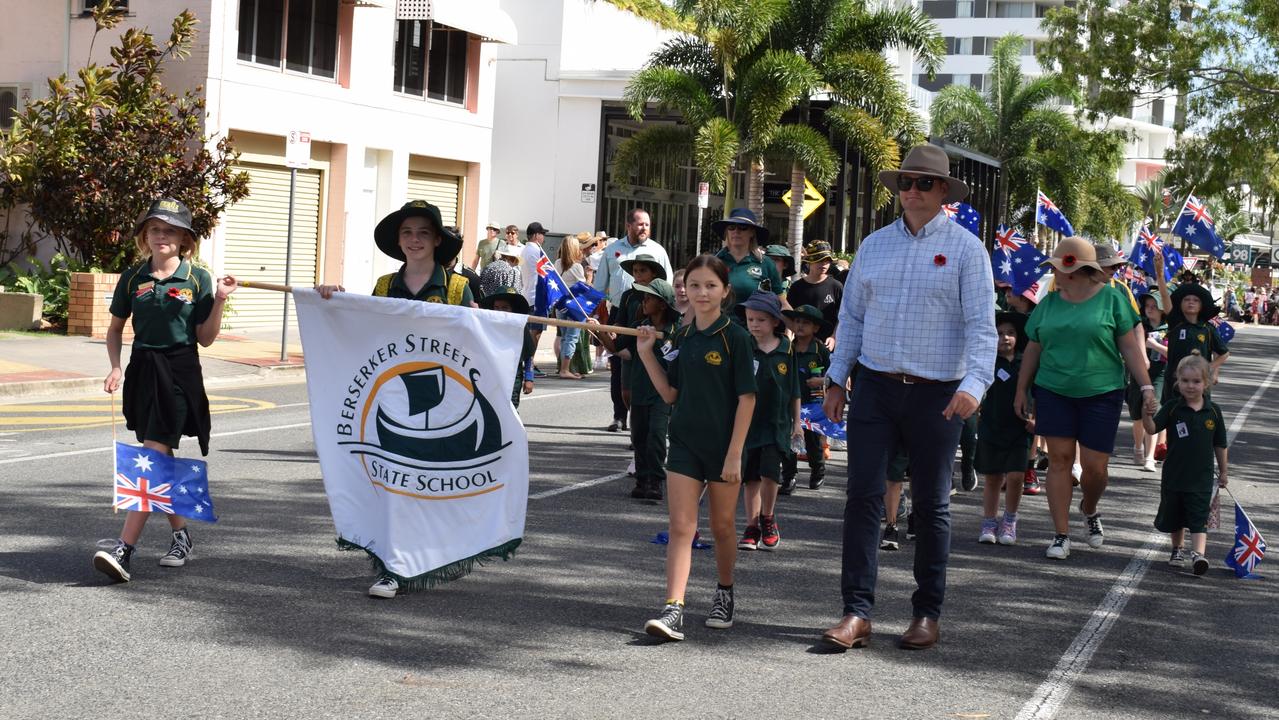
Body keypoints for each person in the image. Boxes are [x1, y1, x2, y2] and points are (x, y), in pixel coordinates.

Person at [819, 144, 997, 651]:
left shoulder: (967, 250)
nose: (912, 191)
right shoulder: (873, 245)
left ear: (943, 191)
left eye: (923, 183)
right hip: (874, 387)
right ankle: (856, 612)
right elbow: (850, 318)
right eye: (905, 182)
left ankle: (927, 613)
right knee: (862, 499)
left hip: (939, 393)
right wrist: (836, 379)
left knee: (933, 505)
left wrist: (974, 386)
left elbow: (982, 329)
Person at [315, 200, 474, 598]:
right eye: (407, 233)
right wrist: (332, 301)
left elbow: (478, 344)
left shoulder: (457, 287)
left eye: (423, 232)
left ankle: (429, 554)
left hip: (445, 400)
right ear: (398, 240)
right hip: (393, 397)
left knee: (430, 485)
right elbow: (363, 330)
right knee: (392, 481)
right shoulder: (385, 286)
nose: (415, 240)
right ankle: (392, 566)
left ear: (437, 240)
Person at [93, 198, 237, 583]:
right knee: (161, 453)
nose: (161, 236)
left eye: (170, 230)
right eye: (155, 229)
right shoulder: (133, 277)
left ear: (184, 239)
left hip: (179, 371)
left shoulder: (197, 279)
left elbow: (205, 339)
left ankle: (125, 549)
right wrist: (115, 367)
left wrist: (219, 301)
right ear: (145, 236)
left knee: (153, 453)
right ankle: (181, 534)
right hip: (142, 369)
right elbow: (114, 329)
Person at [635, 254, 757, 642]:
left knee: (722, 527)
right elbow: (670, 394)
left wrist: (736, 452)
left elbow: (747, 399)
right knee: (680, 527)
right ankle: (674, 608)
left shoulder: (736, 337)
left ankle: (725, 591)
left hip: (723, 448)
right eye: (694, 285)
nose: (701, 293)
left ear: (725, 291)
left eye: (710, 285)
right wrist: (645, 354)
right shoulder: (680, 337)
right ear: (684, 290)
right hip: (684, 444)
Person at [1013, 238, 1157, 561]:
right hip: (1053, 390)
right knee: (1060, 460)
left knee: (1095, 469)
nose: (1053, 273)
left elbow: (1131, 349)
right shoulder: (1047, 304)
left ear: (1078, 271)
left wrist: (1147, 388)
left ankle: (1089, 507)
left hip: (1101, 392)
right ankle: (1061, 534)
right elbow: (1033, 349)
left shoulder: (1112, 300)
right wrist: (1022, 389)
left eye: (1058, 268)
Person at [1142, 355, 1228, 575]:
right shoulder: (1172, 408)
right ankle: (1177, 548)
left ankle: (1199, 555)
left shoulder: (1214, 411)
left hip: (1202, 478)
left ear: (1206, 383)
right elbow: (1152, 429)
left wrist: (1224, 471)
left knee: (1199, 517)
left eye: (1196, 381)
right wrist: (1146, 414)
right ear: (1177, 381)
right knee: (1175, 514)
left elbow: (1220, 444)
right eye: (1186, 381)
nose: (1191, 386)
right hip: (1174, 475)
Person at [594, 209, 674, 435]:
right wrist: (599, 318)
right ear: (628, 225)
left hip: (653, 313)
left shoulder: (657, 251)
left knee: (651, 366)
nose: (644, 228)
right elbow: (600, 287)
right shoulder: (612, 250)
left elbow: (667, 287)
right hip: (622, 309)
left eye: (647, 224)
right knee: (619, 366)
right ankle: (620, 415)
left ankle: (653, 419)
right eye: (640, 224)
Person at [737, 291, 802, 552]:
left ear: (775, 321)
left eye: (761, 320)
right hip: (748, 421)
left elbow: (794, 389)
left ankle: (768, 516)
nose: (754, 324)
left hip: (776, 422)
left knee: (770, 472)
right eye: (751, 319)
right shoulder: (744, 347)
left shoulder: (786, 349)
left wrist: (797, 422)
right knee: (750, 476)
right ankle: (751, 525)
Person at [612, 278, 679, 500]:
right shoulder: (639, 327)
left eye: (649, 298)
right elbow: (616, 346)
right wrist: (599, 330)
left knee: (657, 437)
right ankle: (642, 480)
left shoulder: (675, 331)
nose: (644, 301)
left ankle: (655, 481)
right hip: (639, 390)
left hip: (662, 394)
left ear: (662, 304)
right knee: (639, 437)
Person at [976, 312, 1034, 546]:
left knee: (1016, 476)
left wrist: (1035, 418)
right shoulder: (986, 361)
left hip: (1020, 427)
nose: (1005, 338)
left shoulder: (1026, 362)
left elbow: (1036, 392)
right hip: (992, 425)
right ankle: (989, 521)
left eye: (1010, 333)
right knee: (993, 477)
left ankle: (1010, 521)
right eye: (1000, 333)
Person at [781, 304, 832, 493]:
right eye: (797, 321)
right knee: (788, 438)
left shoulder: (820, 350)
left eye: (806, 323)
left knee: (812, 440)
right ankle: (789, 476)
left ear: (816, 328)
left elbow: (834, 375)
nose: (800, 326)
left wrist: (820, 380)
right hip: (790, 401)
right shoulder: (787, 346)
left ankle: (817, 471)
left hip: (813, 402)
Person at [1161, 282, 1229, 405]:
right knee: (1171, 417)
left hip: (1199, 384)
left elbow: (1224, 354)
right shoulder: (1175, 323)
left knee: (1198, 417)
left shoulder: (1208, 328)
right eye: (1186, 299)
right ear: (1180, 304)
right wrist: (1160, 277)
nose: (1191, 302)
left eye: (1196, 300)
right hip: (1174, 381)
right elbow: (1165, 296)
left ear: (1202, 305)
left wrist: (1209, 368)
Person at [713, 208, 785, 316]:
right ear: (726, 232)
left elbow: (781, 302)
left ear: (752, 232)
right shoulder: (715, 262)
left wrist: (791, 328)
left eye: (743, 227)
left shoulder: (766, 263)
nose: (736, 231)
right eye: (731, 227)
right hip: (720, 328)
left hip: (754, 329)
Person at [479, 287, 537, 409]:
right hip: (491, 375)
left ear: (512, 309)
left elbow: (528, 355)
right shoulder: (487, 328)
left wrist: (529, 378)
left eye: (505, 308)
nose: (500, 311)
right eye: (497, 308)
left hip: (513, 376)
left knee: (510, 409)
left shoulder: (520, 329)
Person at [787, 241, 843, 349]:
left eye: (827, 261)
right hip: (800, 345)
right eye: (819, 260)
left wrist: (834, 337)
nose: (824, 264)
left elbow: (842, 317)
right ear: (809, 262)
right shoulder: (797, 287)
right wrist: (788, 342)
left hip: (827, 346)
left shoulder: (836, 286)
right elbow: (790, 317)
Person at [553, 233, 591, 380]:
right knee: (571, 338)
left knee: (564, 337)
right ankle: (565, 370)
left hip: (560, 304)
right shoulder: (577, 267)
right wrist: (589, 278)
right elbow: (584, 289)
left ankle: (565, 367)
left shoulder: (557, 263)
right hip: (574, 305)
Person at [520, 221, 551, 377]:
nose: (543, 237)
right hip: (537, 296)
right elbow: (546, 273)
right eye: (542, 234)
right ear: (535, 235)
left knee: (532, 331)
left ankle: (528, 362)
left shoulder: (524, 250)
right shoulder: (536, 251)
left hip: (527, 293)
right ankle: (529, 364)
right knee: (536, 332)